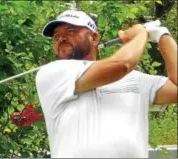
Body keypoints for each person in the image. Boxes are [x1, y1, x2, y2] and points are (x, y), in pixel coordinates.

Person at [35, 10, 177, 158]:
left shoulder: (136, 79)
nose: (61, 38)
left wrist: (163, 36)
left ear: (94, 38)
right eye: (56, 36)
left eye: (71, 31)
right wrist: (141, 34)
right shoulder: (52, 73)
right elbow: (122, 65)